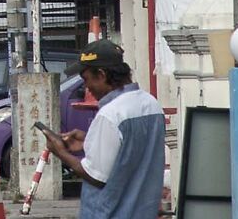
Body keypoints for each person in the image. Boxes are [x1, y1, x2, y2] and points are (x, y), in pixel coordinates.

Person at [40, 41, 165, 219]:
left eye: (86, 79)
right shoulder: (151, 104)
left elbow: (96, 177)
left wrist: (60, 152)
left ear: (101, 75)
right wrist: (89, 140)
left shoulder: (110, 114)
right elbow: (130, 150)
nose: (86, 87)